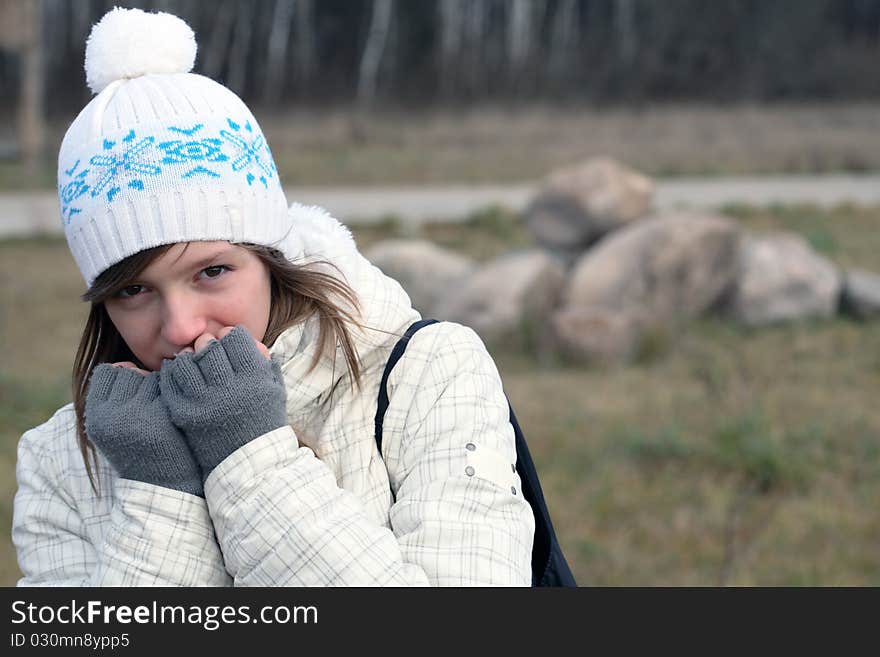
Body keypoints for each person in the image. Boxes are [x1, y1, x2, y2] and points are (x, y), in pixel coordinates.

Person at [11, 7, 534, 587]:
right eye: (134, 290)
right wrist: (158, 490)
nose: (181, 327)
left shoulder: (430, 373)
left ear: (269, 256)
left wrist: (248, 453)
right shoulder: (63, 459)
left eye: (212, 272)